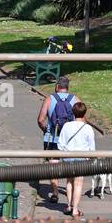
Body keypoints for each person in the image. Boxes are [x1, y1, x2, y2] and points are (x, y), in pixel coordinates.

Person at [37, 76, 77, 204]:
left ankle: (54, 192)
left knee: (53, 165)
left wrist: (46, 130)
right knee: (70, 165)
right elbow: (82, 120)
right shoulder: (75, 99)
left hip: (52, 138)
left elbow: (40, 119)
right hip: (69, 139)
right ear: (67, 87)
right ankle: (69, 189)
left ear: (57, 86)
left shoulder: (50, 99)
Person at [57, 101, 96, 217]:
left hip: (68, 157)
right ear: (84, 113)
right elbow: (91, 147)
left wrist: (65, 152)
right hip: (81, 158)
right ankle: (75, 209)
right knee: (78, 183)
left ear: (73, 113)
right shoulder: (88, 128)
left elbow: (61, 143)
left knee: (69, 181)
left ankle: (69, 205)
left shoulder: (67, 126)